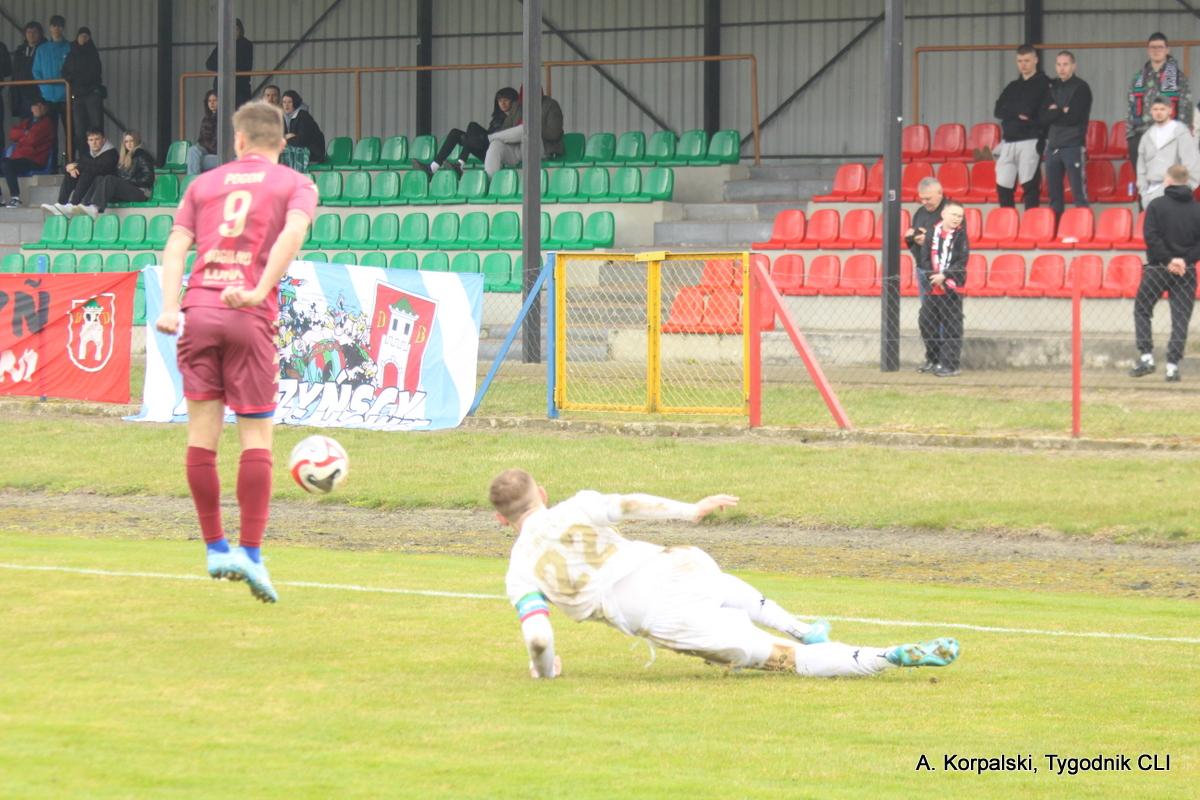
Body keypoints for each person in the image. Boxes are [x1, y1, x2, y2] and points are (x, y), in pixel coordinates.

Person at [490, 468, 960, 680]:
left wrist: (544, 668)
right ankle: (801, 625)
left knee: (786, 661)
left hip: (657, 615)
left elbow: (538, 636)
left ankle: (885, 656)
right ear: (542, 493)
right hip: (673, 563)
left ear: (500, 519)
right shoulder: (576, 505)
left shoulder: (520, 570)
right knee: (722, 585)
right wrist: (691, 509)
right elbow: (631, 504)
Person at [155, 101, 318, 603]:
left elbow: (176, 246)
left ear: (238, 140)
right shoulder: (297, 184)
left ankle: (214, 548)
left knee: (202, 437)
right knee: (256, 438)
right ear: (283, 143)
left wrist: (169, 306)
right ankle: (250, 553)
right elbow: (293, 233)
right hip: (248, 315)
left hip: (199, 312)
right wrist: (258, 289)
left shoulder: (203, 184)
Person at [1129, 164, 1199, 383]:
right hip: (1186, 271)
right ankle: (1172, 366)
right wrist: (1183, 261)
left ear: (1168, 180)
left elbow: (1151, 237)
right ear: (1187, 182)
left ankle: (1147, 357)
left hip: (1158, 268)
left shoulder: (1156, 205)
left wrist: (1169, 260)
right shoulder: (1197, 209)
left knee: (1142, 309)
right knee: (1180, 318)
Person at [414, 87, 518, 177]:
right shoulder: (497, 118)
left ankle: (459, 164)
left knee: (473, 128)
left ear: (513, 101)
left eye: (506, 100)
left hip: (501, 154)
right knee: (455, 133)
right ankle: (433, 167)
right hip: (486, 151)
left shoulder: (517, 118)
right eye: (500, 100)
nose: (502, 103)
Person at [993, 44, 1051, 209]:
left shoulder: (1044, 84)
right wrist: (1017, 113)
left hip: (1031, 139)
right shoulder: (1012, 86)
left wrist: (1014, 112)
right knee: (1003, 186)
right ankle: (1007, 222)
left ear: (1035, 60)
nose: (1023, 65)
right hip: (1008, 140)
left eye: (1027, 60)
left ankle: (1031, 223)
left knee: (1030, 185)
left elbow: (1036, 112)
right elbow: (998, 110)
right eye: (1019, 61)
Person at [917, 201, 968, 378]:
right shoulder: (932, 233)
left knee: (952, 326)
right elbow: (924, 259)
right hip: (933, 286)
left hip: (952, 288)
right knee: (926, 323)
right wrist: (934, 277)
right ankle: (934, 359)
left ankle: (951, 365)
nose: (957, 218)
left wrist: (945, 275)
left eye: (960, 216)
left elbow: (962, 261)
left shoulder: (961, 235)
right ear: (944, 214)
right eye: (954, 214)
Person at [1127, 33, 1192, 168]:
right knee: (1143, 179)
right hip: (1141, 136)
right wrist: (1130, 136)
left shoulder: (1178, 77)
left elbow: (1186, 109)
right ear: (1148, 50)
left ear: (1167, 50)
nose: (1156, 50)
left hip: (1169, 137)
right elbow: (1130, 107)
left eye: (1160, 47)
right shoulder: (1139, 77)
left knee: (1168, 178)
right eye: (1153, 47)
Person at [1041, 51, 1092, 220]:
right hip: (1053, 145)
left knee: (1079, 194)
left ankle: (1084, 228)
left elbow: (1074, 117)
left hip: (1073, 145)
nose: (1061, 68)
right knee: (1054, 196)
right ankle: (1055, 228)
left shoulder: (1081, 88)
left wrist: (1055, 112)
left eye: (1065, 64)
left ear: (1073, 66)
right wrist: (1062, 110)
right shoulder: (1052, 87)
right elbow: (1044, 116)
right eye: (1058, 64)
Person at [904, 176, 948, 372]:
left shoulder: (951, 211)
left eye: (928, 198)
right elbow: (915, 239)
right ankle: (932, 358)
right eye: (921, 198)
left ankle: (945, 359)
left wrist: (927, 238)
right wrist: (913, 238)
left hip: (942, 272)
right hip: (923, 268)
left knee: (944, 316)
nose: (924, 202)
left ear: (939, 193)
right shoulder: (920, 212)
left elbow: (953, 239)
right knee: (927, 317)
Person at [482, 88, 565, 178]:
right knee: (495, 145)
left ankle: (490, 138)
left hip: (542, 148)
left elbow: (554, 134)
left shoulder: (550, 105)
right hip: (517, 149)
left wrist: (535, 127)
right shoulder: (517, 106)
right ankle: (490, 182)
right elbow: (505, 129)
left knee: (526, 127)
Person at [73, 130, 154, 219]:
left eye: (131, 141)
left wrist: (127, 181)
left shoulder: (141, 154)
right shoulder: (124, 156)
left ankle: (95, 207)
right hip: (129, 189)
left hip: (141, 192)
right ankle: (85, 205)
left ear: (137, 141)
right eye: (126, 141)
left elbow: (148, 178)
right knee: (99, 178)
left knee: (110, 179)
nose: (129, 144)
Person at [1136, 96, 1200, 206]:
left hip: (1176, 193)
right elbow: (1141, 169)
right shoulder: (1146, 137)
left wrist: (1184, 190)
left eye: (1162, 109)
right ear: (1151, 111)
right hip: (1151, 195)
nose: (1158, 112)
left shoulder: (1181, 133)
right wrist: (1144, 194)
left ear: (1170, 110)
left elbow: (1193, 165)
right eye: (1155, 109)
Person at [41, 126, 116, 216]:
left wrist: (78, 166)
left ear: (103, 140)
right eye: (91, 140)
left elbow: (100, 168)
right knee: (72, 172)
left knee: (87, 172)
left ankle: (74, 204)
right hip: (92, 184)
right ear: (88, 142)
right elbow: (78, 163)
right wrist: (70, 168)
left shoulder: (111, 153)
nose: (94, 143)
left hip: (104, 187)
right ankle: (61, 204)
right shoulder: (89, 154)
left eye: (97, 139)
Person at [0, 98, 54, 207]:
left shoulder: (47, 123)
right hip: (19, 157)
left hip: (34, 159)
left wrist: (21, 136)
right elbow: (12, 134)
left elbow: (33, 139)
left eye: (41, 106)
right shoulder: (26, 122)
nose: (38, 108)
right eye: (36, 106)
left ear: (45, 109)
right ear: (31, 109)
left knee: (7, 164)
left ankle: (15, 198)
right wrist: (25, 133)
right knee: (5, 163)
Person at [60, 26, 103, 157]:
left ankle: (99, 155)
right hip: (77, 96)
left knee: (96, 126)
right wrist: (73, 79)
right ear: (77, 38)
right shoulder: (71, 54)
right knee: (79, 129)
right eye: (81, 36)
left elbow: (95, 73)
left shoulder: (93, 53)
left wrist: (77, 78)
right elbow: (64, 72)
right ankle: (84, 157)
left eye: (86, 36)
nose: (83, 38)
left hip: (91, 94)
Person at [32, 15, 70, 147]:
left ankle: (69, 159)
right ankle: (52, 160)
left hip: (66, 97)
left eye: (59, 26)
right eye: (54, 26)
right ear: (50, 28)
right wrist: (44, 88)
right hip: (47, 97)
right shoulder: (42, 49)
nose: (56, 29)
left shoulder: (70, 48)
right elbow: (36, 71)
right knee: (50, 133)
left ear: (63, 28)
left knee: (70, 132)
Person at [205, 18, 253, 108]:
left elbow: (241, 65)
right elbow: (209, 64)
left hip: (240, 87)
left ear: (241, 30)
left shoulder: (246, 44)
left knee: (240, 113)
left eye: (236, 29)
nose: (233, 32)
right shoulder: (222, 44)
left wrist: (223, 67)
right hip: (221, 86)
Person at [279, 89, 325, 172]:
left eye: (289, 102)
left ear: (295, 102)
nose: (286, 105)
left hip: (313, 152)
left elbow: (302, 141)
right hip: (295, 150)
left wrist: (286, 138)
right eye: (284, 102)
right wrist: (287, 137)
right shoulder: (285, 117)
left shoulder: (303, 116)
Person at [11, 22, 44, 122]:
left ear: (40, 34)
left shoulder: (45, 50)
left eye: (34, 32)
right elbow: (14, 73)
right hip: (22, 94)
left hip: (39, 93)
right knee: (25, 125)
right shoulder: (19, 51)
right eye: (29, 32)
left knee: (40, 125)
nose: (31, 35)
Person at [186, 90, 220, 175]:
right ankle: (193, 180)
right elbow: (202, 139)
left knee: (194, 161)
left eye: (215, 100)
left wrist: (205, 146)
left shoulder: (225, 118)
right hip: (206, 152)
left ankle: (194, 181)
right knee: (192, 151)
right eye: (209, 101)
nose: (212, 103)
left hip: (219, 156)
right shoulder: (206, 119)